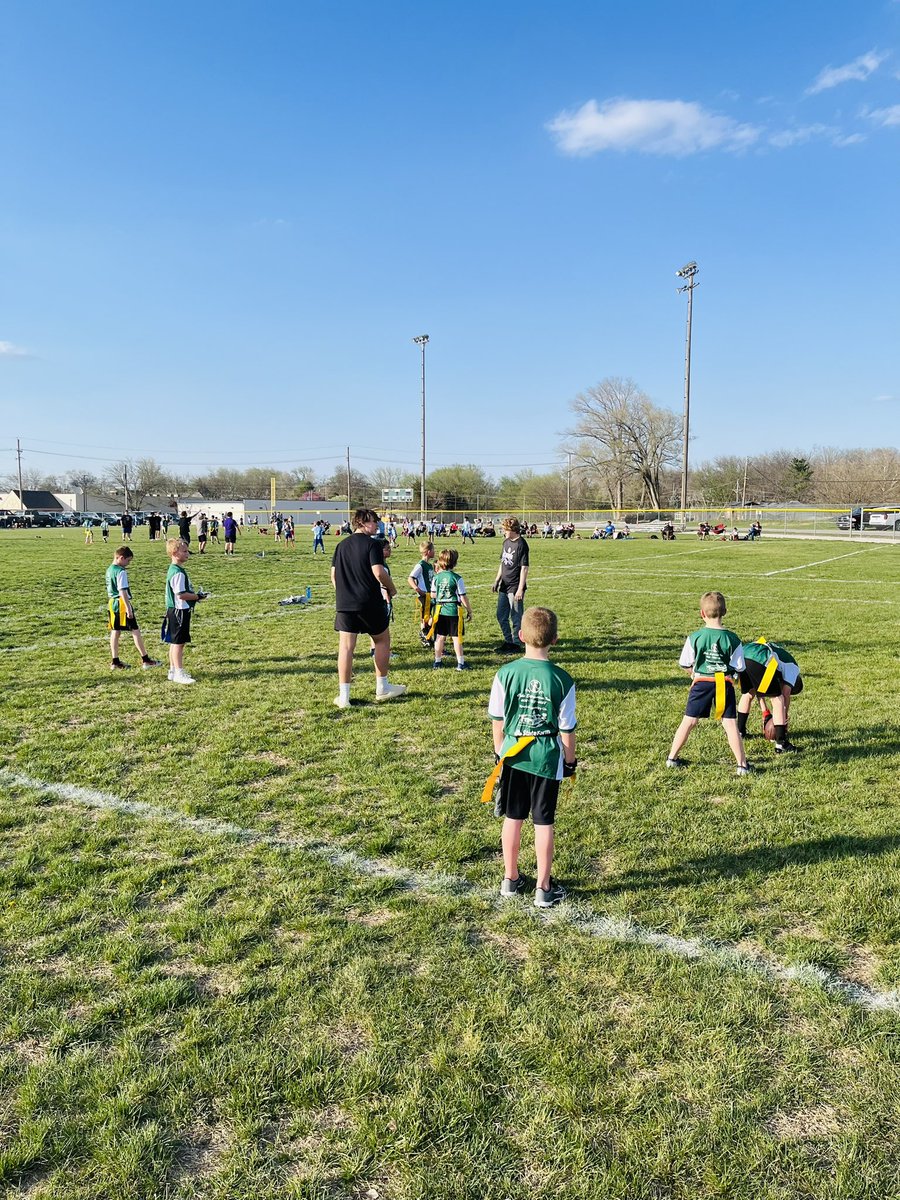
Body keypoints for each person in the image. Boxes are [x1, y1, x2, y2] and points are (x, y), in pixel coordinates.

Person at [488, 606, 576, 909]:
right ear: (555, 639)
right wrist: (570, 760)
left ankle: (510, 880)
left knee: (513, 817)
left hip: (512, 755)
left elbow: (497, 719)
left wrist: (499, 752)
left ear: (521, 635)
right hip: (546, 758)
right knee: (543, 822)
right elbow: (567, 729)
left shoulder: (505, 673)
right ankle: (543, 887)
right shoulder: (562, 679)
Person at [666, 591, 750, 775]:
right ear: (725, 612)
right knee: (729, 724)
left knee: (689, 721)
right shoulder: (733, 639)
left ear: (702, 613)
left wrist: (694, 673)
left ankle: (672, 758)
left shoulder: (695, 637)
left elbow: (685, 663)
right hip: (724, 683)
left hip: (701, 683)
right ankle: (742, 765)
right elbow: (739, 667)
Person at [331, 508, 406, 708]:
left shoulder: (341, 545)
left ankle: (344, 696)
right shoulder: (372, 544)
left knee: (346, 648)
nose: (378, 524)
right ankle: (382, 687)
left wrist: (345, 593)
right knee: (382, 640)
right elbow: (379, 572)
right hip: (369, 602)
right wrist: (392, 588)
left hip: (345, 604)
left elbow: (333, 576)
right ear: (362, 522)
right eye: (374, 521)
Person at [736, 638, 801, 753]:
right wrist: (783, 719)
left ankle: (740, 732)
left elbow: (759, 689)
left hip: (743, 654)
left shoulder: (781, 659)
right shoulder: (793, 668)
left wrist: (765, 712)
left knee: (749, 693)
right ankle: (781, 743)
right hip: (763, 658)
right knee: (778, 699)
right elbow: (785, 694)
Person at [106, 546, 161, 671]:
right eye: (128, 561)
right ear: (121, 558)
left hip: (112, 603)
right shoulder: (121, 572)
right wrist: (128, 609)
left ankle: (115, 661)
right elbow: (122, 591)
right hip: (121, 604)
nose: (128, 564)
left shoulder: (109, 569)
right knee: (135, 630)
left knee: (116, 631)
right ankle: (146, 660)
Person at [162, 538, 207, 684]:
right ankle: (178, 673)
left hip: (175, 610)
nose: (187, 553)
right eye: (184, 551)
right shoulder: (177, 572)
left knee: (175, 642)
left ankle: (173, 670)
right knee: (178, 643)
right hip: (179, 611)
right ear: (175, 553)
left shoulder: (176, 569)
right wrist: (197, 597)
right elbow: (180, 595)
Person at [430, 547, 473, 671]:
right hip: (453, 610)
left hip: (440, 610)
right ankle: (460, 663)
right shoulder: (457, 578)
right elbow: (463, 597)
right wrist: (469, 610)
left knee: (440, 636)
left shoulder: (436, 578)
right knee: (456, 637)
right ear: (454, 562)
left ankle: (437, 662)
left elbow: (433, 594)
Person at [492, 516, 529, 653]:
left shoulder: (521, 545)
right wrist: (497, 580)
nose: (503, 532)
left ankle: (517, 644)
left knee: (515, 616)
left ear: (512, 529)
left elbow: (524, 568)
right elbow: (502, 563)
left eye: (505, 529)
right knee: (501, 615)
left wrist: (520, 589)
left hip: (514, 586)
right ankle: (508, 641)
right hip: (504, 585)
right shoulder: (506, 542)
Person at [407, 539, 435, 648]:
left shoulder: (429, 565)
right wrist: (418, 590)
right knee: (425, 617)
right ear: (428, 551)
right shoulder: (420, 565)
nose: (434, 552)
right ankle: (424, 636)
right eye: (433, 550)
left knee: (428, 616)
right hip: (424, 596)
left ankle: (427, 635)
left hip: (430, 595)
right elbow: (410, 578)